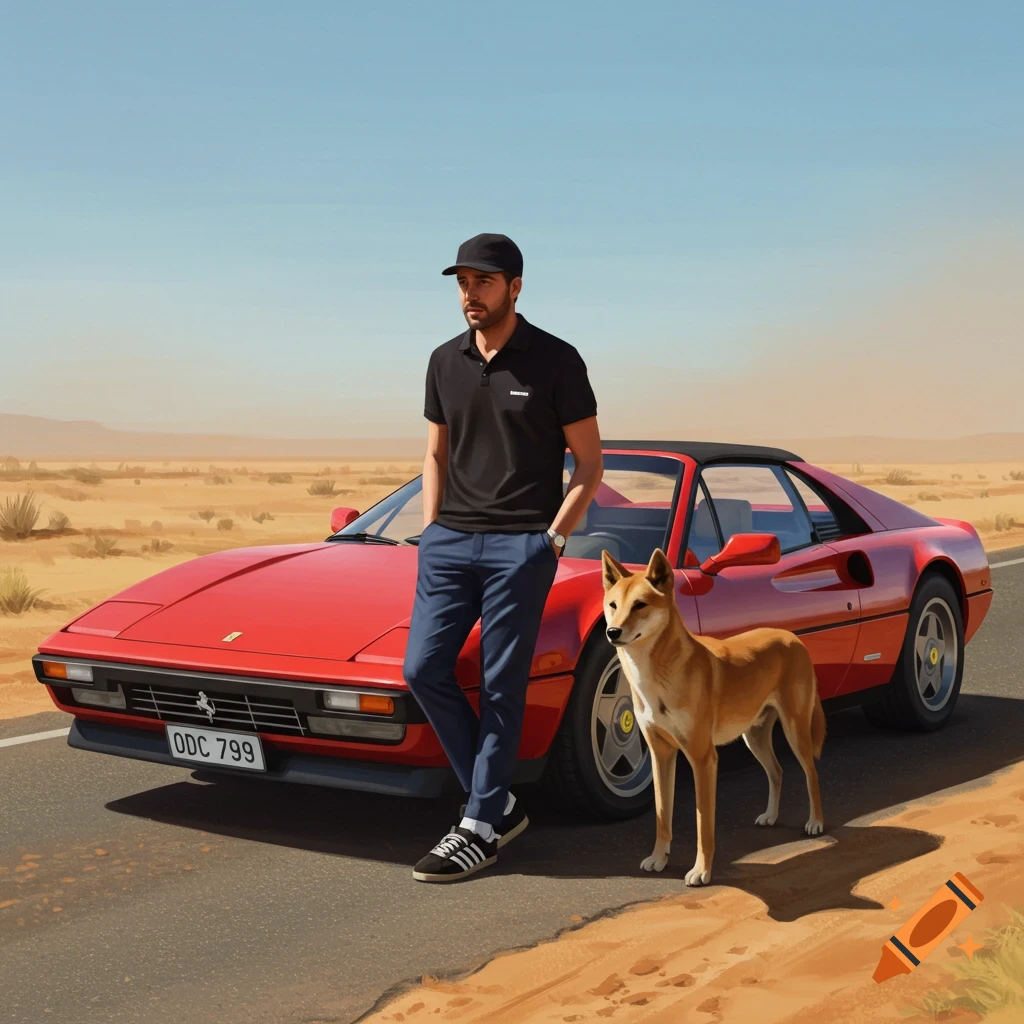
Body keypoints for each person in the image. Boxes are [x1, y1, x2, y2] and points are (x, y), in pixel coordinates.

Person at [404, 232, 604, 882]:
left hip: (522, 544)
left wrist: (550, 540)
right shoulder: (443, 361)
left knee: (500, 685)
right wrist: (431, 529)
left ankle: (480, 826)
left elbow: (590, 465)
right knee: (423, 668)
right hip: (450, 542)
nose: (470, 294)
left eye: (483, 282)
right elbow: (435, 454)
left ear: (514, 287)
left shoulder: (556, 361)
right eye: (462, 283)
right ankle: (498, 801)